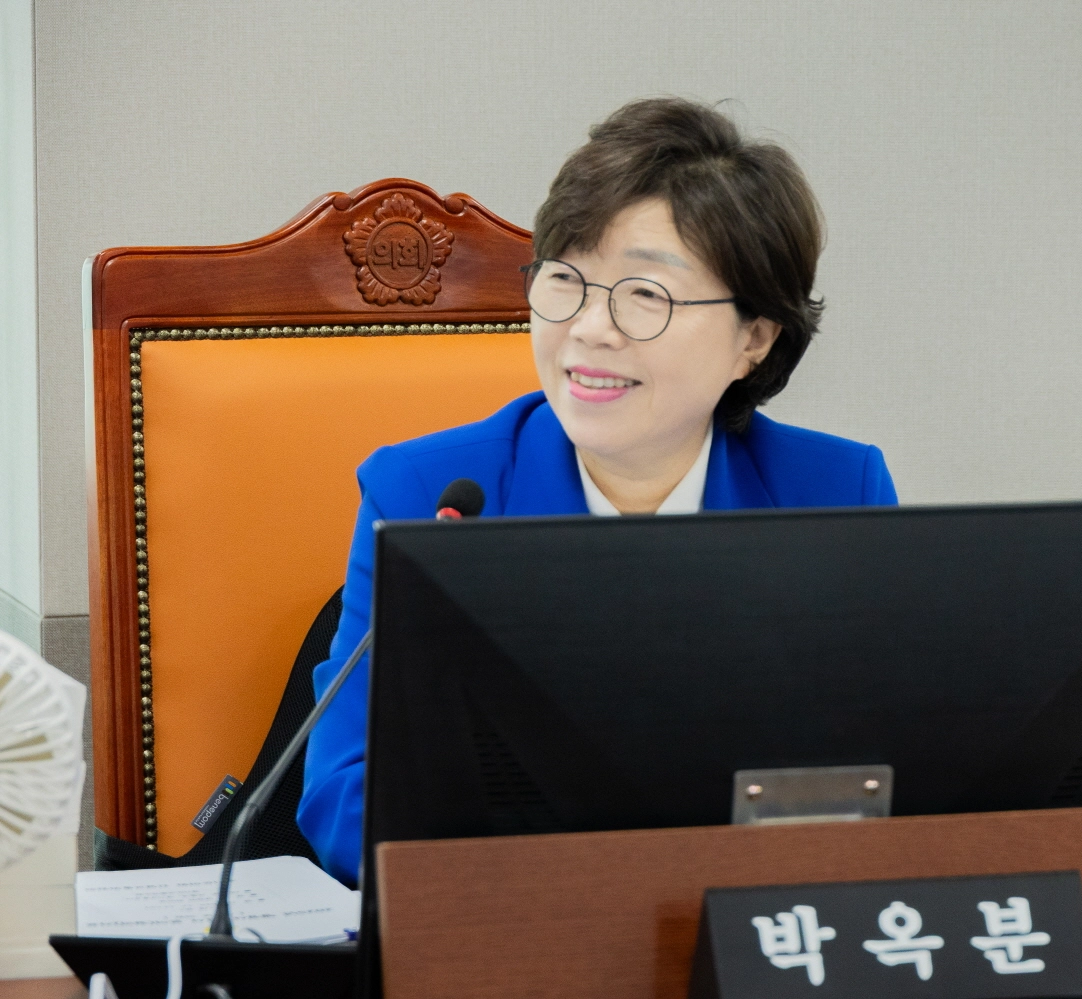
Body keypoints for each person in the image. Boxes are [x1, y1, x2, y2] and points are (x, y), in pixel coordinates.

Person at [297, 97, 899, 885]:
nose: (589, 327)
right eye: (566, 280)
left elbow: (887, 779)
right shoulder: (427, 495)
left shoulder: (836, 494)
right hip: (520, 916)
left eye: (646, 295)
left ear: (753, 338)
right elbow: (344, 791)